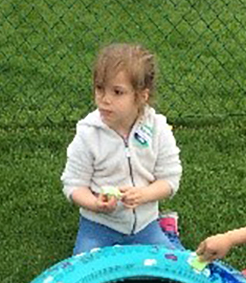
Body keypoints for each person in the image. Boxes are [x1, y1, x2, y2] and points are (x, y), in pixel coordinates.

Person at [61, 43, 183, 255]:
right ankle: (165, 229)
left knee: (171, 268)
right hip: (99, 227)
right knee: (86, 270)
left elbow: (170, 180)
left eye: (117, 92)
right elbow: (73, 185)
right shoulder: (88, 134)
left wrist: (144, 194)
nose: (105, 99)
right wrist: (95, 203)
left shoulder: (157, 129)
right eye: (100, 88)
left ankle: (165, 229)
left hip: (145, 225)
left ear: (141, 96)